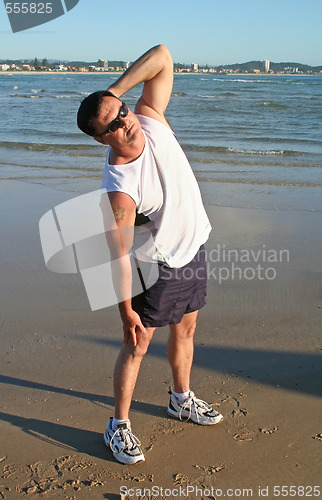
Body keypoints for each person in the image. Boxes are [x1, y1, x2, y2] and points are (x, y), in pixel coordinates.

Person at [77, 44, 223, 465]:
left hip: (192, 247)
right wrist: (125, 311)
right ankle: (117, 426)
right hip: (157, 265)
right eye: (114, 125)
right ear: (101, 140)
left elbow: (161, 55)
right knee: (137, 344)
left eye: (121, 113)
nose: (126, 124)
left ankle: (181, 398)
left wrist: (113, 94)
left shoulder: (148, 117)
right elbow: (118, 257)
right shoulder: (120, 190)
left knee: (187, 331)